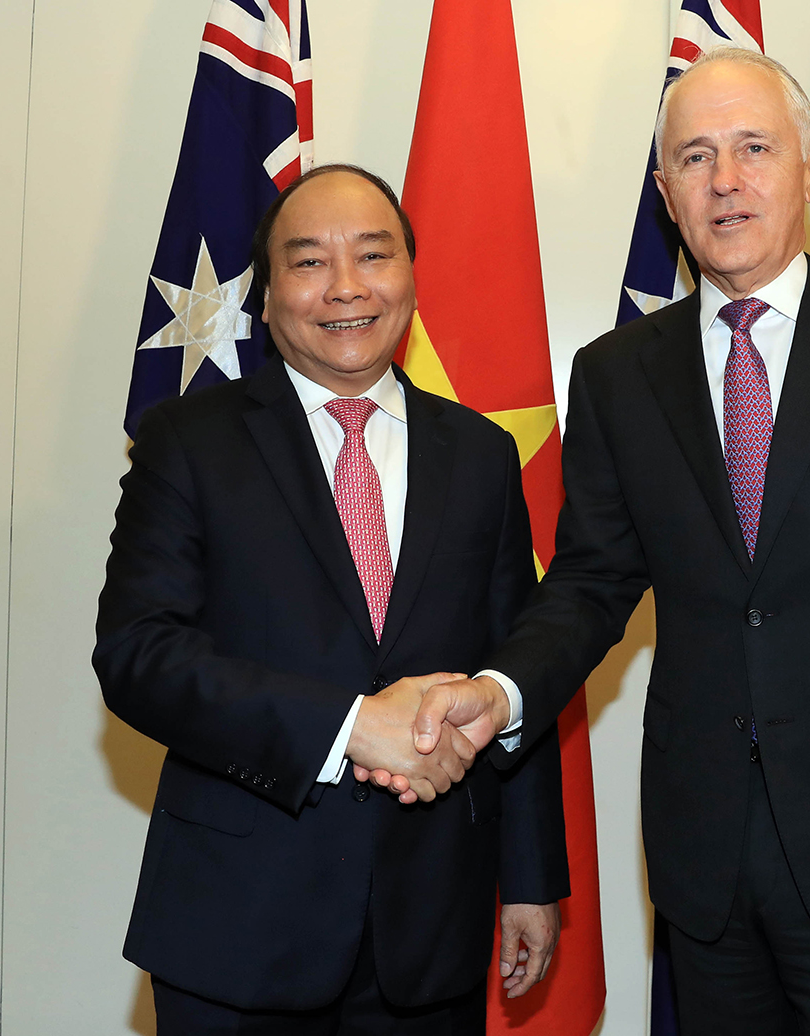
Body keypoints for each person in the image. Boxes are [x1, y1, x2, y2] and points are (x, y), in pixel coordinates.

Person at [388, 48, 810, 1034]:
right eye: (695, 158)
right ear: (665, 192)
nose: (726, 181)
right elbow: (590, 583)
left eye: (754, 149)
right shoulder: (615, 372)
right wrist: (499, 690)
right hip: (705, 870)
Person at [93, 164, 568, 1035]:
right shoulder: (187, 443)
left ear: (411, 281)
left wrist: (532, 881)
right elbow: (139, 656)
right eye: (308, 262)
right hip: (237, 927)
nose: (345, 287)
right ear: (266, 299)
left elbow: (515, 674)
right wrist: (350, 725)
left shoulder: (482, 455)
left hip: (432, 929)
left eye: (373, 256)